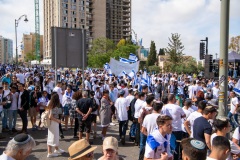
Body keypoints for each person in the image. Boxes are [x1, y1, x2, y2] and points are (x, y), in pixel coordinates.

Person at [161, 94, 186, 160]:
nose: (176, 99)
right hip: (177, 129)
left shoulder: (164, 107)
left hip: (167, 129)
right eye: (175, 98)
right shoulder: (177, 107)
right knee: (177, 146)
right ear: (172, 99)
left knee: (168, 145)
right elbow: (184, 115)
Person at [47, 93, 65, 158]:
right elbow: (50, 116)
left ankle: (56, 149)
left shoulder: (51, 104)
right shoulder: (52, 106)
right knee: (52, 137)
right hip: (53, 123)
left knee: (55, 136)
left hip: (53, 123)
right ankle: (49, 152)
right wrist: (58, 120)